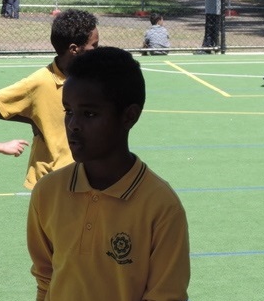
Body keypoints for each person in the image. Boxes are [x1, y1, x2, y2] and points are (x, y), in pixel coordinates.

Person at [27, 47, 190, 300]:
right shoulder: (47, 192)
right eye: (68, 111)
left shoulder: (161, 206)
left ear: (129, 116)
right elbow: (45, 276)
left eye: (89, 114)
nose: (73, 125)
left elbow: (166, 295)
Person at [0, 9, 99, 189]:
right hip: (53, 180)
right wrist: (31, 118)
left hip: (88, 175)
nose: (98, 52)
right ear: (74, 49)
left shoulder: (92, 77)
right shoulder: (40, 82)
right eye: (94, 46)